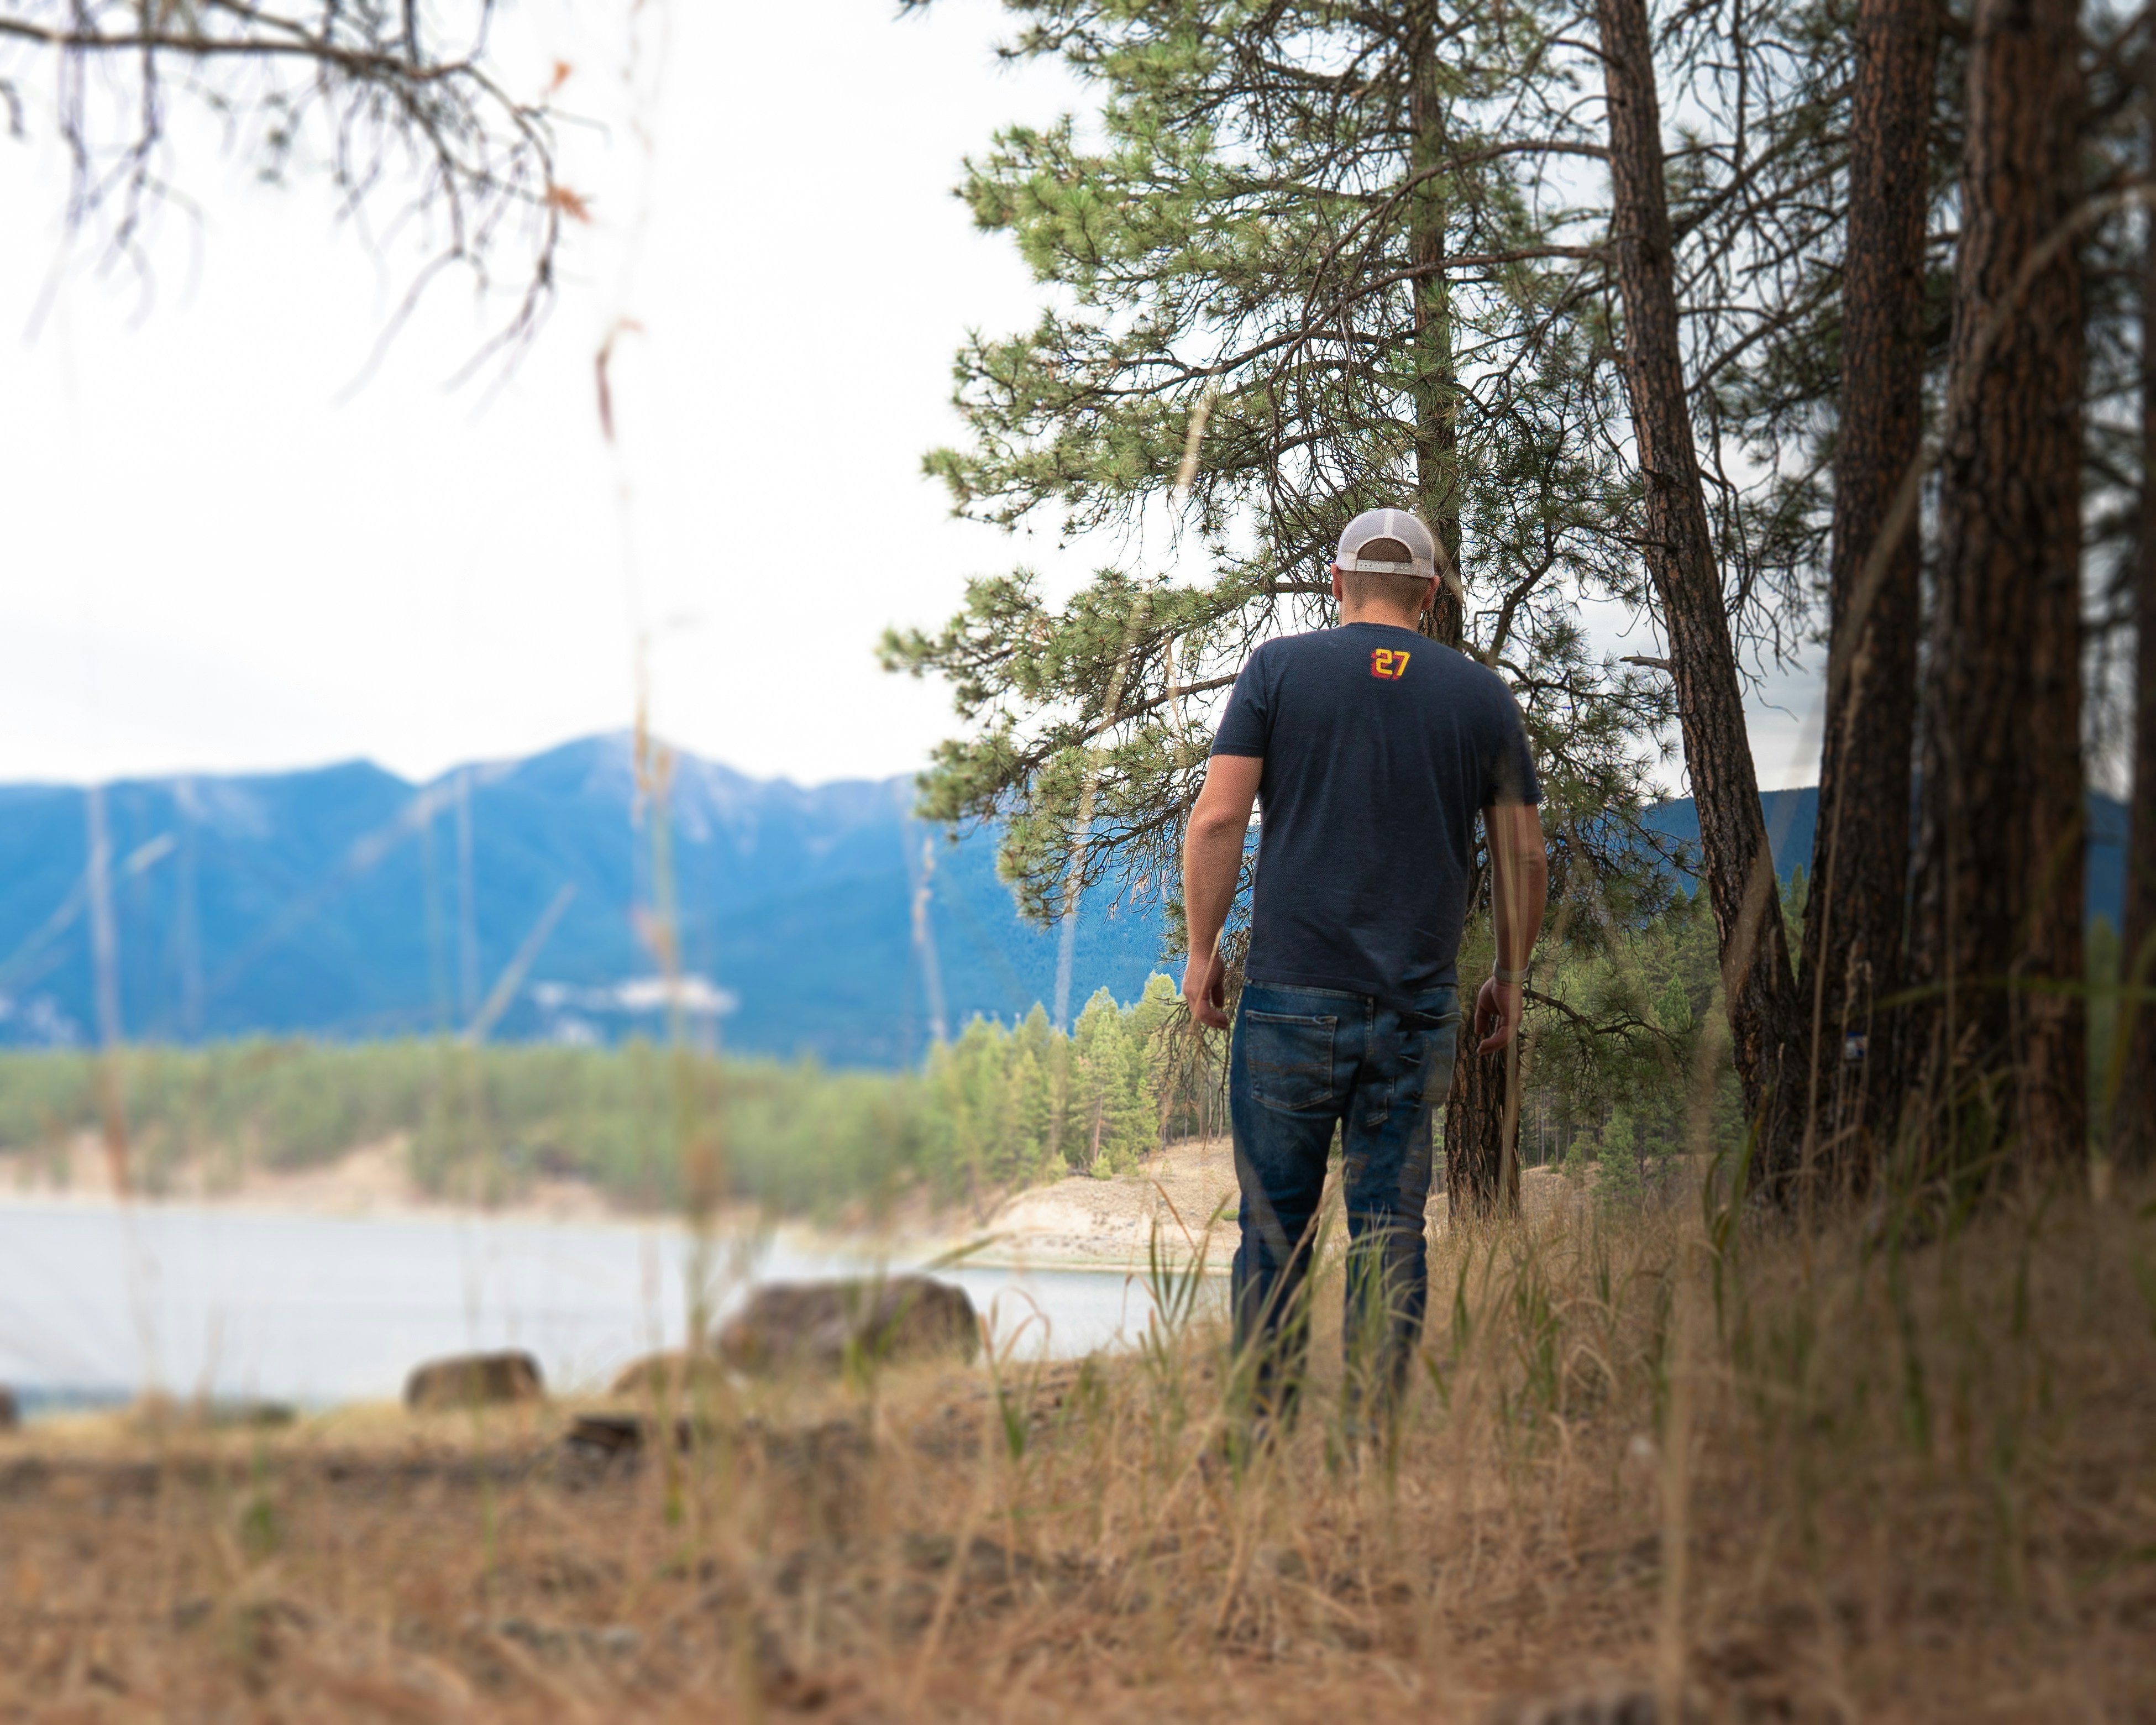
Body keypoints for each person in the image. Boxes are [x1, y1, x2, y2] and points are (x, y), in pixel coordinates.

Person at [1181, 506, 1548, 1442]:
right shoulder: (1479, 697)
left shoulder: (1277, 668)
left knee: (1273, 1232)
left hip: (1289, 999)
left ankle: (1261, 1437)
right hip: (1414, 1006)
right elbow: (1523, 856)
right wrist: (1508, 971)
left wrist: (1201, 946)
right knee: (1390, 1225)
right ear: (1430, 593)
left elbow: (1218, 820)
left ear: (1336, 583)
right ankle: (1368, 1448)